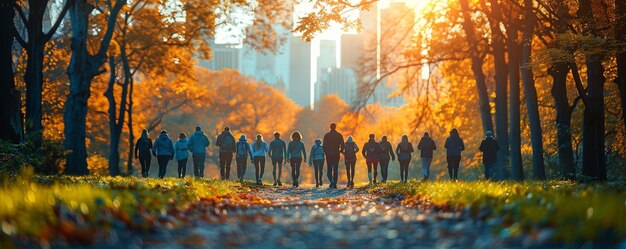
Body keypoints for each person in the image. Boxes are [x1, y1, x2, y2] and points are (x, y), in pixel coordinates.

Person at [323, 123, 344, 189]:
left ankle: (331, 181)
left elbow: (324, 145)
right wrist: (341, 151)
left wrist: (326, 152)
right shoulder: (339, 135)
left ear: (330, 127)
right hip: (336, 154)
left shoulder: (327, 135)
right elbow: (343, 145)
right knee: (335, 169)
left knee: (329, 169)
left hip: (329, 154)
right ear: (335, 127)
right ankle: (334, 183)